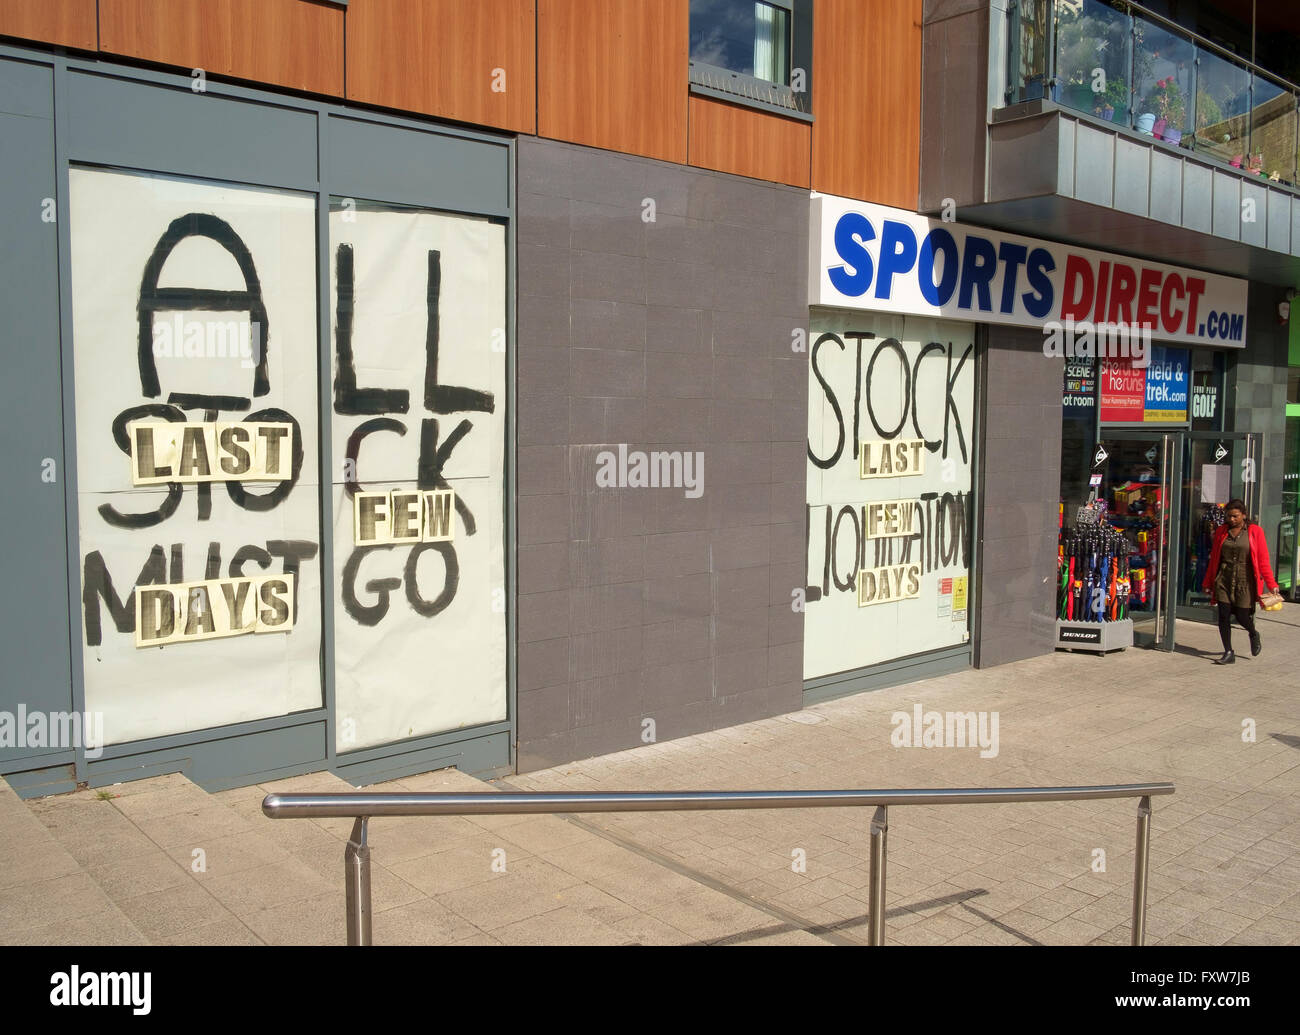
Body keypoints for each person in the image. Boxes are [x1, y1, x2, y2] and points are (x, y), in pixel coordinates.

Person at [1200, 499, 1279, 664]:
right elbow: (1214, 559)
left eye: (1235, 516)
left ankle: (1253, 633)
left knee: (1242, 615)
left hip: (1245, 579)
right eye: (1228, 516)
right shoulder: (1222, 531)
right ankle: (1228, 652)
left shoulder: (1255, 531)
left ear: (1244, 515)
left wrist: (1272, 585)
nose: (1231, 519)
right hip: (1224, 578)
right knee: (1223, 616)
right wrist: (1207, 583)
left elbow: (1263, 561)